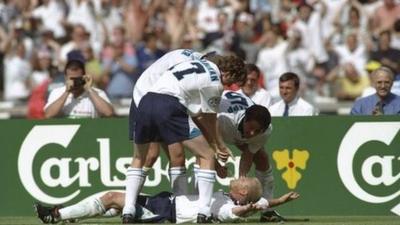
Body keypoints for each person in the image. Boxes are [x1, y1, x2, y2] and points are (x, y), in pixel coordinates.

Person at [123, 52, 246, 223]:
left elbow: (197, 115)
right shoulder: (215, 81)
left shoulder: (189, 65)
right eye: (230, 82)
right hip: (168, 106)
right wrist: (219, 146)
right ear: (227, 73)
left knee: (138, 158)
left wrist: (215, 144)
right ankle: (204, 212)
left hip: (145, 101)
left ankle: (128, 209)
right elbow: (209, 118)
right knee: (206, 156)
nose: (227, 87)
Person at [34, 177, 300, 224]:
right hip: (166, 202)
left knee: (113, 197)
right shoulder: (227, 196)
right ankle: (59, 215)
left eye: (243, 181)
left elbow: (237, 213)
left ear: (242, 194)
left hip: (166, 212)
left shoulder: (228, 206)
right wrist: (281, 200)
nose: (239, 178)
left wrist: (248, 208)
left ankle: (55, 215)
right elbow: (263, 204)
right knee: (112, 201)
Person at [44, 55, 114, 118]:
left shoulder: (97, 93)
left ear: (84, 77)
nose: (74, 82)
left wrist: (89, 89)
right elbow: (48, 114)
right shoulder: (57, 92)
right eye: (71, 79)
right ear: (65, 78)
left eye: (77, 79)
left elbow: (109, 113)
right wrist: (67, 92)